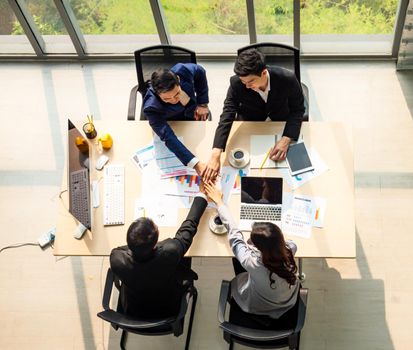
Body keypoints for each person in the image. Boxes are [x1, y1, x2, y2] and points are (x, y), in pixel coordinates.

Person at [203, 49, 305, 182]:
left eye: (250, 82)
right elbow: (227, 114)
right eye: (243, 82)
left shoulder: (287, 78)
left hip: (280, 121)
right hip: (251, 123)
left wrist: (286, 139)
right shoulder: (237, 83)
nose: (246, 86)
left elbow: (298, 110)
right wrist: (216, 153)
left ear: (263, 73)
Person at [204, 182, 299, 320]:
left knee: (236, 261)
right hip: (287, 302)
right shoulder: (290, 250)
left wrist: (219, 202)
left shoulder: (251, 262)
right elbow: (289, 243)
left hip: (257, 306)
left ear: (258, 248)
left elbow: (235, 235)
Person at [109, 191, 207, 318]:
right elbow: (186, 232)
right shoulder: (169, 253)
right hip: (168, 310)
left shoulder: (116, 259)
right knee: (185, 259)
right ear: (155, 245)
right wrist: (201, 197)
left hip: (134, 310)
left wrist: (141, 243)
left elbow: (123, 249)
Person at [143, 63, 210, 175]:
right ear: (157, 93)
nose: (174, 100)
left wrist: (202, 103)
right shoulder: (151, 107)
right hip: (172, 121)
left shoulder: (182, 70)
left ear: (178, 79)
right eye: (167, 99)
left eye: (177, 93)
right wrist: (194, 163)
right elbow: (168, 137)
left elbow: (200, 71)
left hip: (192, 113)